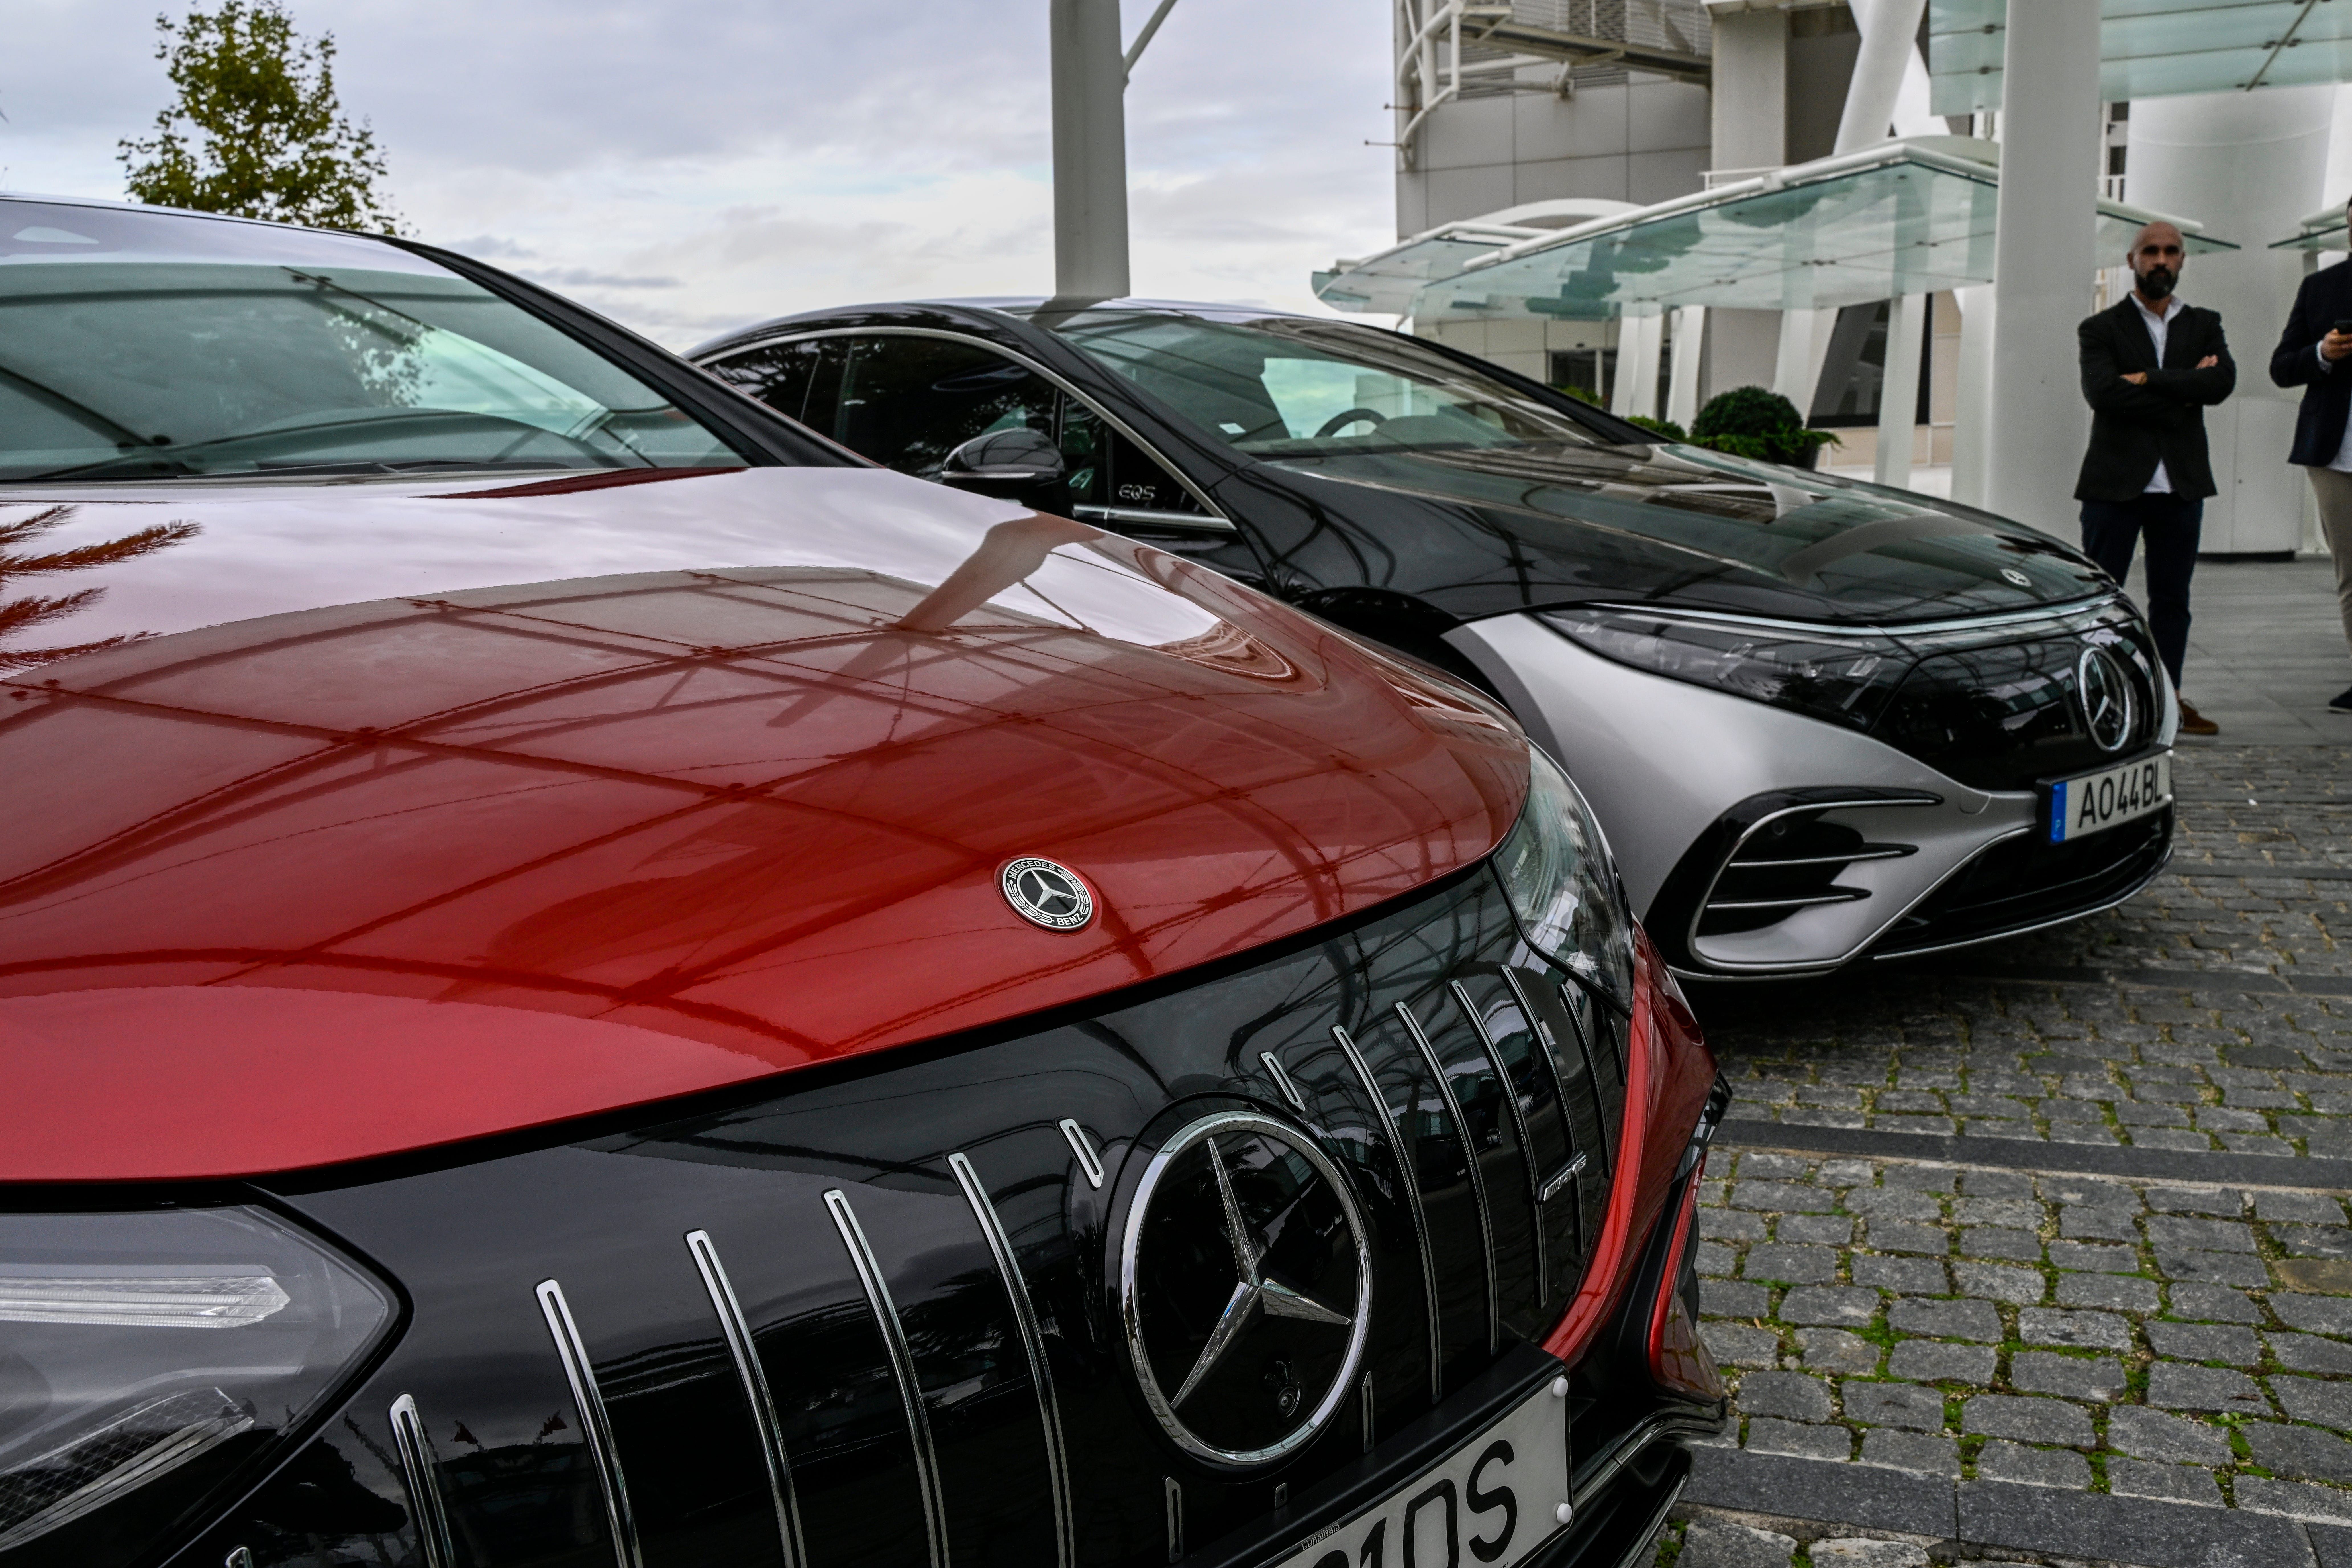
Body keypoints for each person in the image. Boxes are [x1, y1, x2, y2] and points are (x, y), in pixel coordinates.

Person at [2076, 221, 2236, 737]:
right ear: (2132, 260)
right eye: (2151, 252)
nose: (2160, 260)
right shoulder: (2100, 328)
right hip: (2114, 487)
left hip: (2181, 487)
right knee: (2101, 603)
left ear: (2183, 260)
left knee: (2173, 603)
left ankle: (2167, 703)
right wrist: (2184, 394)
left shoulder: (2205, 324)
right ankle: (2097, 704)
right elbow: (2103, 394)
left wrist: (2148, 380)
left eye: (2170, 251)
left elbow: (2221, 383)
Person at [2269, 194, 2352, 714]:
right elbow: (2281, 367)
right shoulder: (2321, 287)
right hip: (2336, 456)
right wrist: (2321, 354)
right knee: (2351, 572)